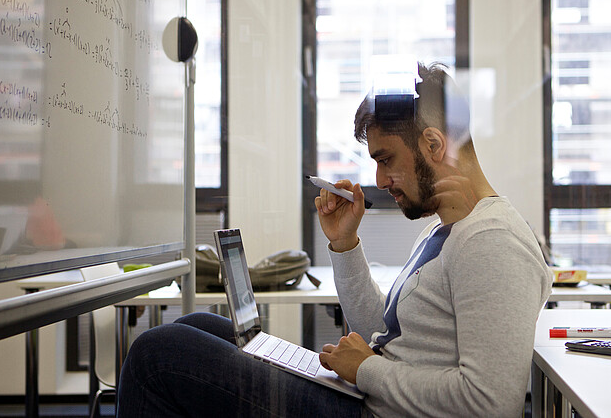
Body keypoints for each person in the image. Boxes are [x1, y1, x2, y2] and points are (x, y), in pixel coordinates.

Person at [116, 62, 552, 417]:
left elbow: (492, 404)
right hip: (370, 397)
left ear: (434, 144)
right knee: (196, 326)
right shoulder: (447, 228)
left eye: (386, 160)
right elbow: (384, 331)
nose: (380, 180)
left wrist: (367, 371)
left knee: (157, 354)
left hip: (375, 407)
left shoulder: (493, 242)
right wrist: (345, 244)